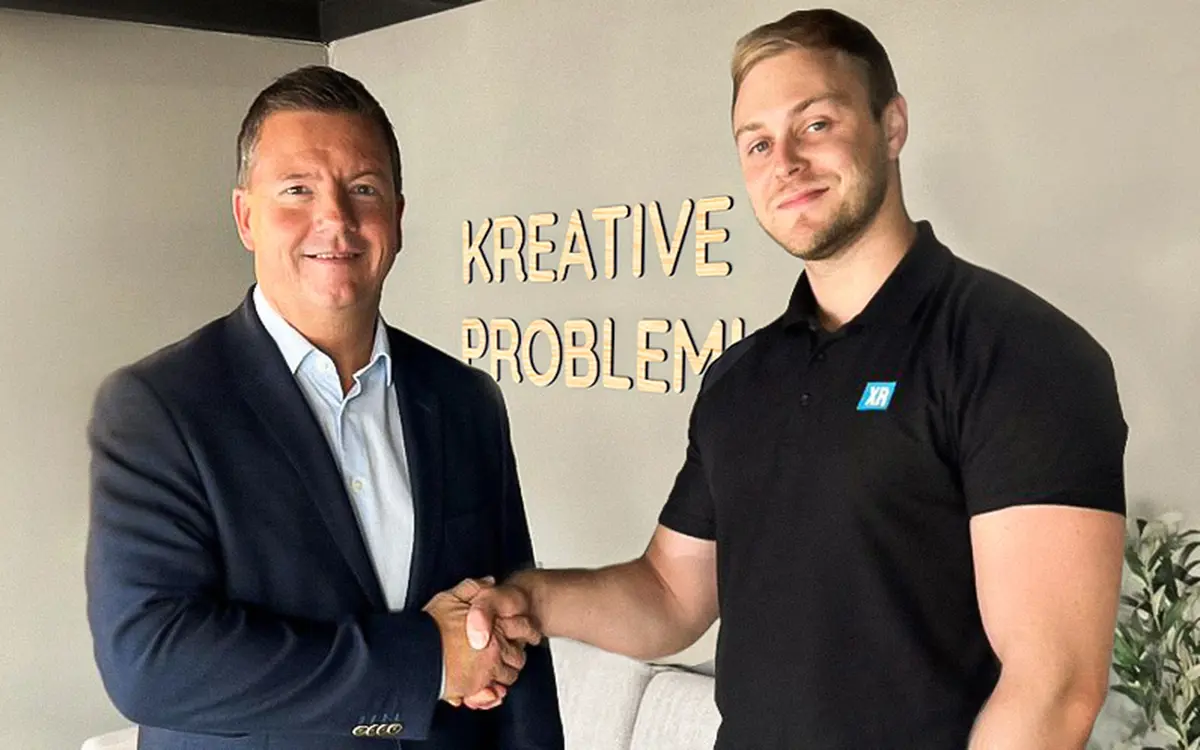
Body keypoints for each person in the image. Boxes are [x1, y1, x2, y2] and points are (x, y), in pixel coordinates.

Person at [463, 9, 1127, 749]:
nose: (784, 162)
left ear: (892, 125)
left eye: (815, 124)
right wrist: (533, 599)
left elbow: (1054, 688)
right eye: (757, 143)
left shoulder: (1017, 353)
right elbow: (672, 593)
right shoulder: (740, 380)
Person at [85, 65, 563, 750]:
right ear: (246, 217)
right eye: (297, 190)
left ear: (397, 218)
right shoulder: (159, 408)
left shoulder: (466, 401)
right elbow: (152, 661)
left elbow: (517, 622)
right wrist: (427, 659)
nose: (335, 218)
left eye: (363, 188)